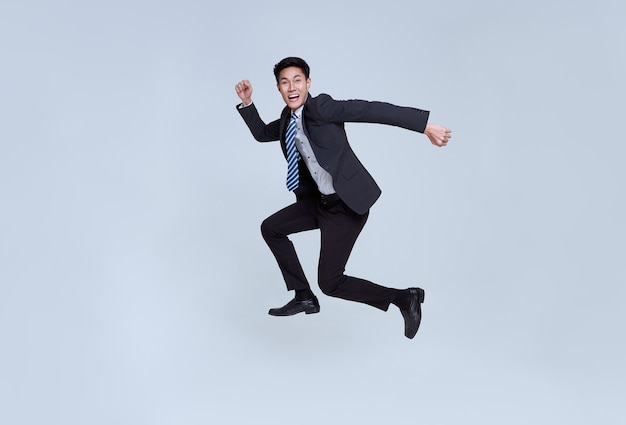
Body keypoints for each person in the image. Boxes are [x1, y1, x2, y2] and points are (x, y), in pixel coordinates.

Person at [234, 57, 451, 339]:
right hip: (320, 203)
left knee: (331, 283)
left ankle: (403, 298)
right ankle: (303, 295)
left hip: (346, 205)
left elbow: (372, 110)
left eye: (297, 80)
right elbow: (263, 133)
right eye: (285, 82)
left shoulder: (323, 107)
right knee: (271, 228)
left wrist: (424, 126)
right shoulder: (288, 118)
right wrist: (248, 103)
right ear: (278, 88)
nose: (292, 87)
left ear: (308, 83)